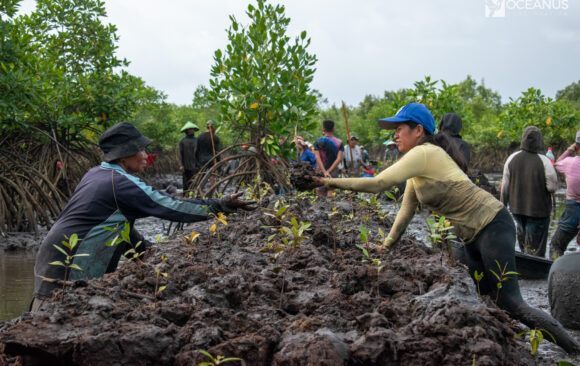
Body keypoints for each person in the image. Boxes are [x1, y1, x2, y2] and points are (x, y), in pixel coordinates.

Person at [308, 103, 579, 354]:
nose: (396, 135)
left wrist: (326, 182)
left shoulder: (426, 153)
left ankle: (573, 350)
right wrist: (386, 245)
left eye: (400, 129)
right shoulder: (418, 164)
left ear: (419, 130)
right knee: (482, 298)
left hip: (493, 223)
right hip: (471, 236)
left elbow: (379, 183)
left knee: (512, 302)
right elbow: (406, 210)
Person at [31, 122, 255, 310]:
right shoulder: (119, 183)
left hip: (51, 254)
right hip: (69, 262)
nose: (146, 156)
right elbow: (171, 206)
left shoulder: (96, 173)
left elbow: (115, 224)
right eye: (142, 150)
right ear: (125, 155)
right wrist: (221, 205)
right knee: (53, 325)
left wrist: (145, 251)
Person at [500, 126, 557, 257]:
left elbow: (505, 187)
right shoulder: (544, 161)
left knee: (523, 241)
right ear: (540, 141)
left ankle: (524, 268)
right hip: (538, 211)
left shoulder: (512, 158)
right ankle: (536, 273)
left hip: (517, 210)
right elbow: (552, 187)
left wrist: (503, 206)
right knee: (535, 249)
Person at [549, 131, 580, 258]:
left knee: (556, 245)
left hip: (572, 210)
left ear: (577, 146)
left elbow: (556, 163)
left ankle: (554, 272)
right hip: (573, 209)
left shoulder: (569, 162)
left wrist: (569, 149)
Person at [313, 119, 344, 197]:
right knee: (331, 195)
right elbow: (339, 159)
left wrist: (324, 172)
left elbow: (317, 157)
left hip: (320, 172)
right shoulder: (339, 142)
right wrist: (329, 171)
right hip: (333, 172)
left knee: (319, 197)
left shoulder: (317, 142)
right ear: (333, 129)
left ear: (323, 129)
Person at [196, 120, 221, 187]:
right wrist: (219, 162)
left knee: (201, 175)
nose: (215, 129)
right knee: (212, 175)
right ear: (212, 128)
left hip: (202, 160)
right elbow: (217, 152)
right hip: (212, 160)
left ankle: (198, 190)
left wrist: (197, 161)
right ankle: (212, 189)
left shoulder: (199, 136)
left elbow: (196, 150)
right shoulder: (215, 138)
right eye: (215, 128)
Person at [178, 121, 200, 196]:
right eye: (191, 129)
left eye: (193, 129)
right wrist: (181, 165)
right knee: (185, 182)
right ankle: (185, 196)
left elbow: (199, 153)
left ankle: (195, 196)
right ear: (187, 130)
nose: (193, 130)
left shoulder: (197, 140)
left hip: (195, 165)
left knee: (195, 181)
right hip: (186, 164)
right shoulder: (182, 141)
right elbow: (180, 154)